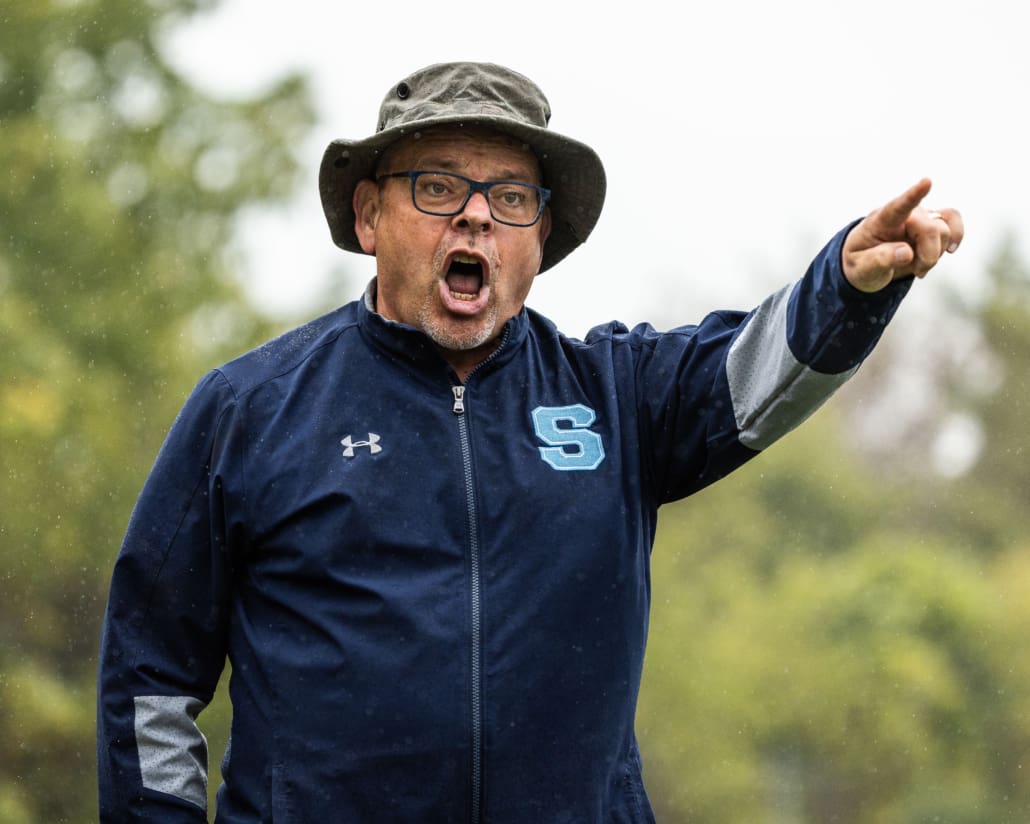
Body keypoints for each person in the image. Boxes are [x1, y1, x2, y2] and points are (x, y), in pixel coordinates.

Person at [96, 62, 963, 823]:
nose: (475, 219)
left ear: (541, 239)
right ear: (369, 216)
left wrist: (847, 284)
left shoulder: (617, 398)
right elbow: (149, 687)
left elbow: (752, 369)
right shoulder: (249, 410)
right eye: (437, 186)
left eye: (510, 197)